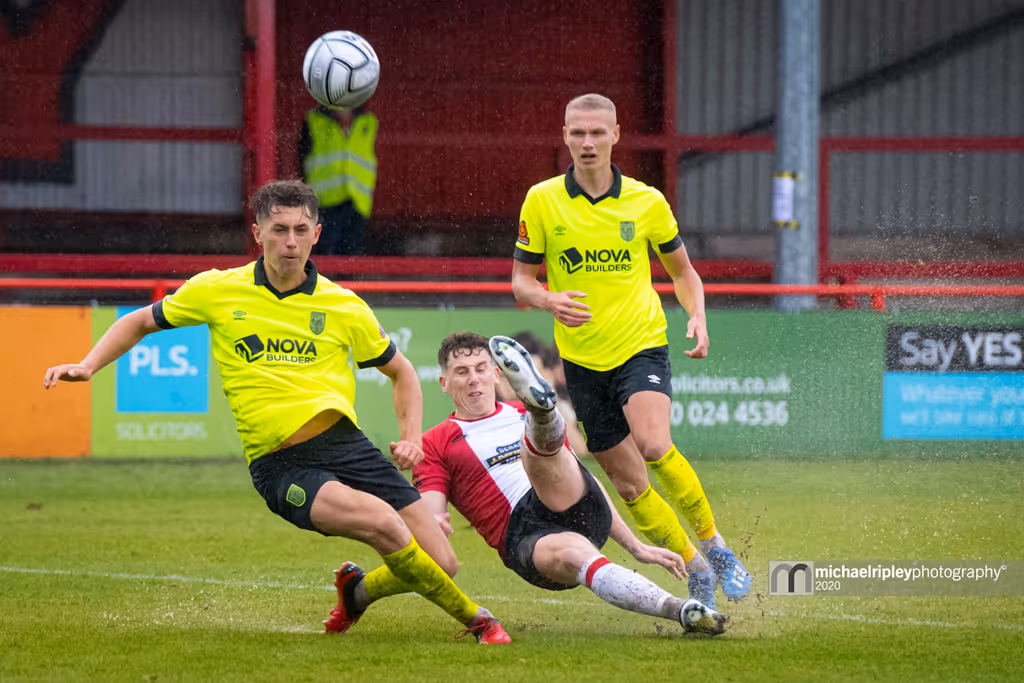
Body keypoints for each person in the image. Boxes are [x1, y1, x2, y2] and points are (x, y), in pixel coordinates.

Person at [42, 179, 509, 644]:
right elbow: (140, 320)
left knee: (442, 563)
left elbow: (402, 372)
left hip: (347, 447)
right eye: (279, 229)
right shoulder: (218, 290)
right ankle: (478, 621)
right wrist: (87, 365)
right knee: (383, 523)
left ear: (317, 234)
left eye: (301, 230)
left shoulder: (343, 305)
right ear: (257, 232)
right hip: (283, 464)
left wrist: (410, 437)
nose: (290, 241)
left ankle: (357, 593)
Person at [509, 93, 751, 605]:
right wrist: (549, 299)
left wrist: (698, 315)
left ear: (617, 135)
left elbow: (683, 272)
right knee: (628, 486)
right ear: (565, 136)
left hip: (641, 345)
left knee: (654, 444)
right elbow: (521, 283)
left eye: (598, 132)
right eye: (578, 133)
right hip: (581, 361)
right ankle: (695, 565)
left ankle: (718, 546)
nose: (588, 142)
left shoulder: (646, 201)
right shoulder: (543, 199)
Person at [326, 332, 727, 635]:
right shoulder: (436, 441)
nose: (474, 381)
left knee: (547, 456)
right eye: (461, 373)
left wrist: (636, 545)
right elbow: (430, 506)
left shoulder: (515, 411)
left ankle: (544, 413)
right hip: (524, 538)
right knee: (576, 552)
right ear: (444, 383)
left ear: (496, 374)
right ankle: (683, 611)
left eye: (482, 370)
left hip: (574, 498)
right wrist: (436, 520)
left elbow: (584, 478)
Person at [298, 104, 377, 255]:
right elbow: (301, 163)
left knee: (352, 258)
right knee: (325, 258)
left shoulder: (368, 121)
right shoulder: (314, 120)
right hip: (324, 204)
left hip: (357, 203)